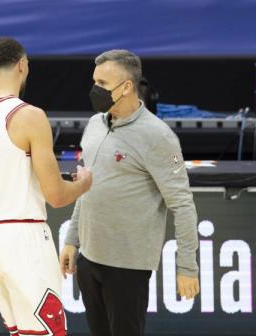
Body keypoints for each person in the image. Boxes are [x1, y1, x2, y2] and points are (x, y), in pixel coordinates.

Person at [0, 37, 92, 336]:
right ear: (23, 66)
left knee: (18, 331)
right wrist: (83, 185)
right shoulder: (29, 116)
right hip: (21, 236)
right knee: (46, 332)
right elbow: (56, 196)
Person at [59, 50, 199, 336]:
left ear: (126, 87)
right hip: (89, 258)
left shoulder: (158, 136)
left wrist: (187, 266)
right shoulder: (95, 124)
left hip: (126, 266)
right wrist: (73, 240)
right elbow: (86, 186)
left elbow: (182, 204)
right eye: (94, 81)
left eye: (103, 83)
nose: (94, 89)